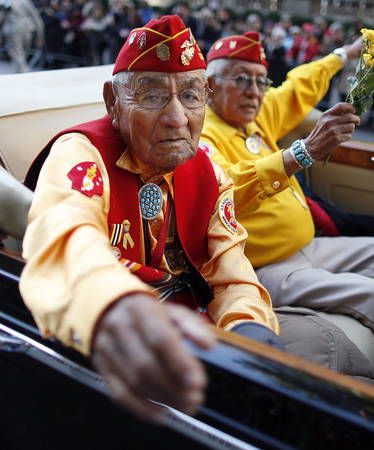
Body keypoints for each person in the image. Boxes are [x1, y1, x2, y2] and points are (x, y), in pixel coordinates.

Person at [19, 15, 282, 425]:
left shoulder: (209, 170)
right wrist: (111, 305)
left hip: (194, 333)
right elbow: (63, 231)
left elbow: (231, 273)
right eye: (154, 96)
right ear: (112, 103)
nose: (178, 118)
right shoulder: (82, 153)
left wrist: (250, 331)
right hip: (106, 343)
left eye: (192, 96)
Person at [200, 31, 374, 418]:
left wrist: (345, 54)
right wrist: (301, 152)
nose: (254, 91)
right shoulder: (203, 134)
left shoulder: (256, 113)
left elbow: (297, 87)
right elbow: (223, 187)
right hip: (261, 268)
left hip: (309, 247)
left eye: (261, 80)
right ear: (210, 86)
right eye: (241, 79)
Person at [0, 0, 45, 72]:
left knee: (17, 52)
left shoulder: (7, 1)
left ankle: (23, 71)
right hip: (28, 28)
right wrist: (40, 35)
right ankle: (22, 70)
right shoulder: (26, 1)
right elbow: (36, 17)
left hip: (13, 28)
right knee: (23, 52)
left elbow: (1, 17)